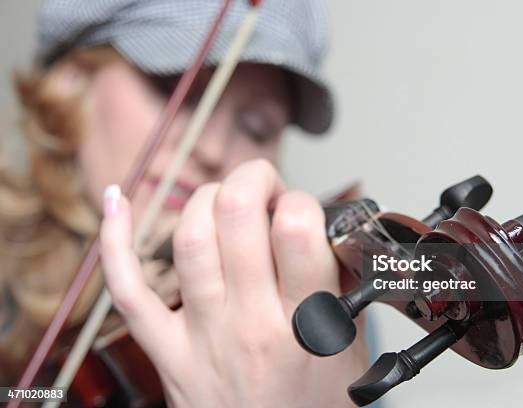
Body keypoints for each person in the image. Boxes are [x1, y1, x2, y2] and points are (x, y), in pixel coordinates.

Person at [0, 0, 370, 406]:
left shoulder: (305, 314)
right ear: (72, 80)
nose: (211, 149)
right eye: (178, 91)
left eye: (257, 128)